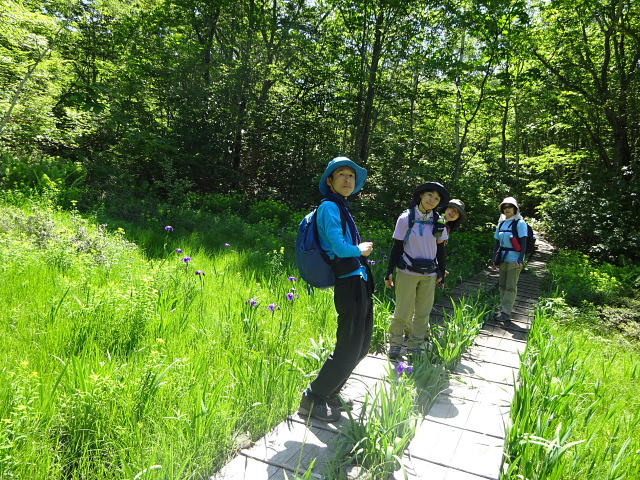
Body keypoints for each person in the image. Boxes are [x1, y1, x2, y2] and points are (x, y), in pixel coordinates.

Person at [298, 157, 375, 423]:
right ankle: (313, 397)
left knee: (362, 345)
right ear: (330, 181)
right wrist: (360, 249)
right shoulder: (329, 207)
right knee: (349, 346)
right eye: (341, 175)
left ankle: (331, 392)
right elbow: (339, 247)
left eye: (351, 177)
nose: (347, 180)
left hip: (360, 280)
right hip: (349, 281)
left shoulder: (342, 207)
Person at [385, 182, 449, 359]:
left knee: (423, 312)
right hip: (407, 271)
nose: (432, 200)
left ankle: (415, 345)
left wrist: (441, 273)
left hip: (429, 273)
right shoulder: (406, 218)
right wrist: (389, 271)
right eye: (430, 195)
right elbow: (397, 246)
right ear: (421, 195)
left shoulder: (439, 221)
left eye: (436, 199)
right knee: (402, 310)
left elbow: (441, 249)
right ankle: (395, 344)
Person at [491, 196, 528, 323]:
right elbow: (497, 243)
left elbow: (524, 243)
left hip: (514, 259)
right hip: (503, 258)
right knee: (502, 285)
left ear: (515, 208)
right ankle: (503, 309)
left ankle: (506, 312)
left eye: (509, 207)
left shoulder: (520, 223)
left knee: (511, 286)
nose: (507, 209)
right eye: (504, 207)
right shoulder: (501, 223)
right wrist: (494, 259)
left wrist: (521, 259)